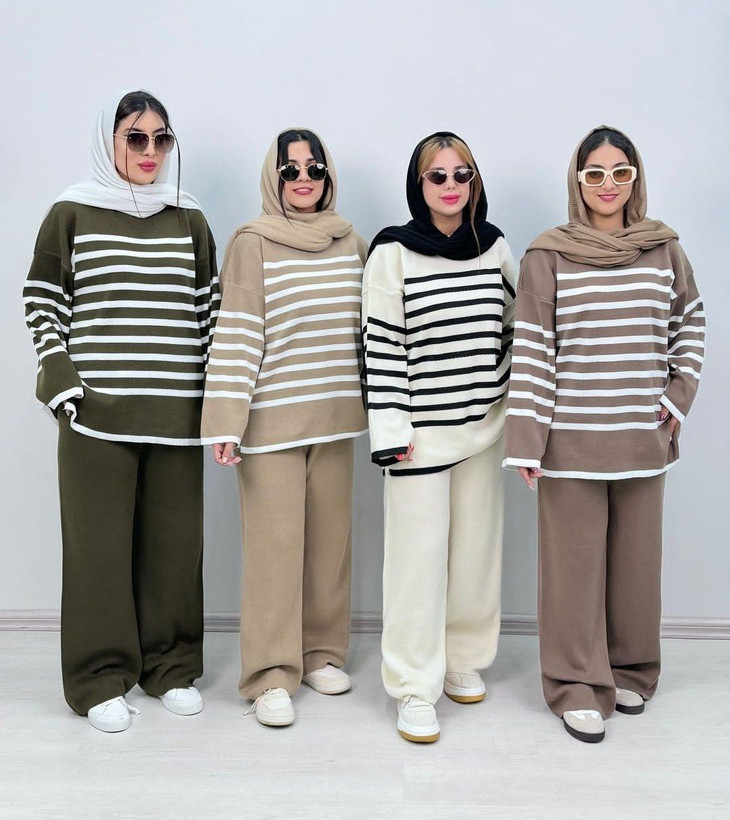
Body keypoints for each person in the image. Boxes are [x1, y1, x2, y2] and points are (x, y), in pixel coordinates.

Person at [23, 90, 219, 732]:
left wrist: (218, 402)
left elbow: (210, 310)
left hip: (178, 413)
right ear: (108, 140)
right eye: (136, 137)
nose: (150, 151)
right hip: (95, 415)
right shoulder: (71, 212)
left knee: (174, 551)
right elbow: (42, 298)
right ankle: (98, 677)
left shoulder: (189, 216)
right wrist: (61, 383)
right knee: (97, 552)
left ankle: (171, 667)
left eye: (162, 139)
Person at [503, 125, 705, 743]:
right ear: (578, 180)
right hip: (570, 442)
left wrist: (677, 397)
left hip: (641, 439)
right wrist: (527, 439)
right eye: (595, 173)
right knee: (572, 574)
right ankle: (575, 686)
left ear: (635, 178)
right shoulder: (548, 255)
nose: (608, 184)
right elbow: (532, 349)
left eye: (621, 172)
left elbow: (690, 321)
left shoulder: (663, 249)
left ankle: (630, 672)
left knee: (636, 570)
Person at [201, 128, 367, 727]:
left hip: (336, 417)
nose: (303, 178)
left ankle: (321, 653)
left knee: (330, 550)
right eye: (290, 168)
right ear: (273, 177)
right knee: (274, 554)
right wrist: (226, 420)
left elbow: (367, 333)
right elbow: (237, 331)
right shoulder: (253, 242)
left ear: (328, 176)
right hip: (271, 423)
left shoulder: (351, 242)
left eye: (314, 168)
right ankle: (269, 674)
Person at [362, 131, 516, 743]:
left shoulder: (495, 247)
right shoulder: (391, 253)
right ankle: (412, 685)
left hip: (484, 427)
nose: (451, 186)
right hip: (419, 436)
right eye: (438, 176)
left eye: (462, 175)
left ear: (474, 182)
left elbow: (516, 329)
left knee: (476, 556)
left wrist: (506, 403)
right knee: (415, 566)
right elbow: (380, 343)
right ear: (418, 183)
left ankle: (462, 659)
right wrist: (391, 429)